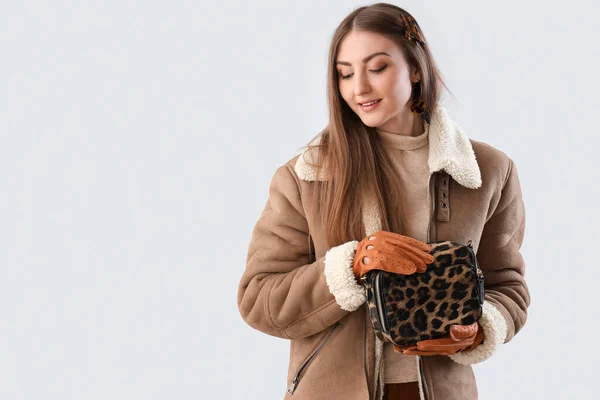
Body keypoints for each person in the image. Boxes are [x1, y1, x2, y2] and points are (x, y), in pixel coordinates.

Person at [237, 3, 530, 400]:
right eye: (345, 73)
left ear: (414, 67)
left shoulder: (487, 171)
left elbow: (507, 285)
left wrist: (480, 328)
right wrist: (351, 265)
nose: (359, 88)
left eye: (377, 68)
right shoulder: (306, 177)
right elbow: (259, 299)